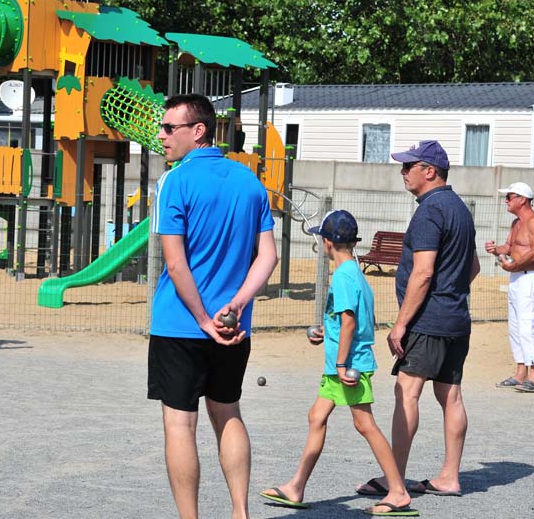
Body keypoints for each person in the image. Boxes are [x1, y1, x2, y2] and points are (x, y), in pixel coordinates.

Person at [148, 94, 278, 519]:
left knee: (180, 425)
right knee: (228, 414)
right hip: (233, 326)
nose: (162, 135)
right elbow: (268, 257)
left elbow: (174, 260)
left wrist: (203, 318)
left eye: (170, 128)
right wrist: (237, 305)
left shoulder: (175, 180)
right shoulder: (250, 181)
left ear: (198, 130)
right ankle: (240, 513)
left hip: (181, 325)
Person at [259, 210, 416, 517]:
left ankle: (398, 492)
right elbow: (343, 320)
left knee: (365, 424)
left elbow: (349, 321)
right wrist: (323, 330)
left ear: (327, 243)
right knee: (316, 416)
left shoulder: (343, 276)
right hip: (339, 363)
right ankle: (296, 487)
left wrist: (342, 363)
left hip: (347, 365)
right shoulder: (354, 271)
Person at [358, 140, 479, 499]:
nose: (403, 172)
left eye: (409, 166)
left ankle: (394, 479)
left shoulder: (429, 211)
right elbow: (471, 267)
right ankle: (449, 476)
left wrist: (401, 323)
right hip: (456, 318)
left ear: (430, 171)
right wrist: (450, 293)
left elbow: (423, 273)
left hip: (428, 320)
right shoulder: (460, 208)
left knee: (406, 391)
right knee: (451, 395)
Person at [485, 182, 534, 393]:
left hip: (530, 277)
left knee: (527, 325)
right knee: (514, 327)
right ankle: (520, 373)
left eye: (510, 197)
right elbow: (510, 247)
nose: (506, 200)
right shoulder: (516, 223)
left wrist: (514, 265)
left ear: (522, 199)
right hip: (516, 277)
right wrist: (496, 250)